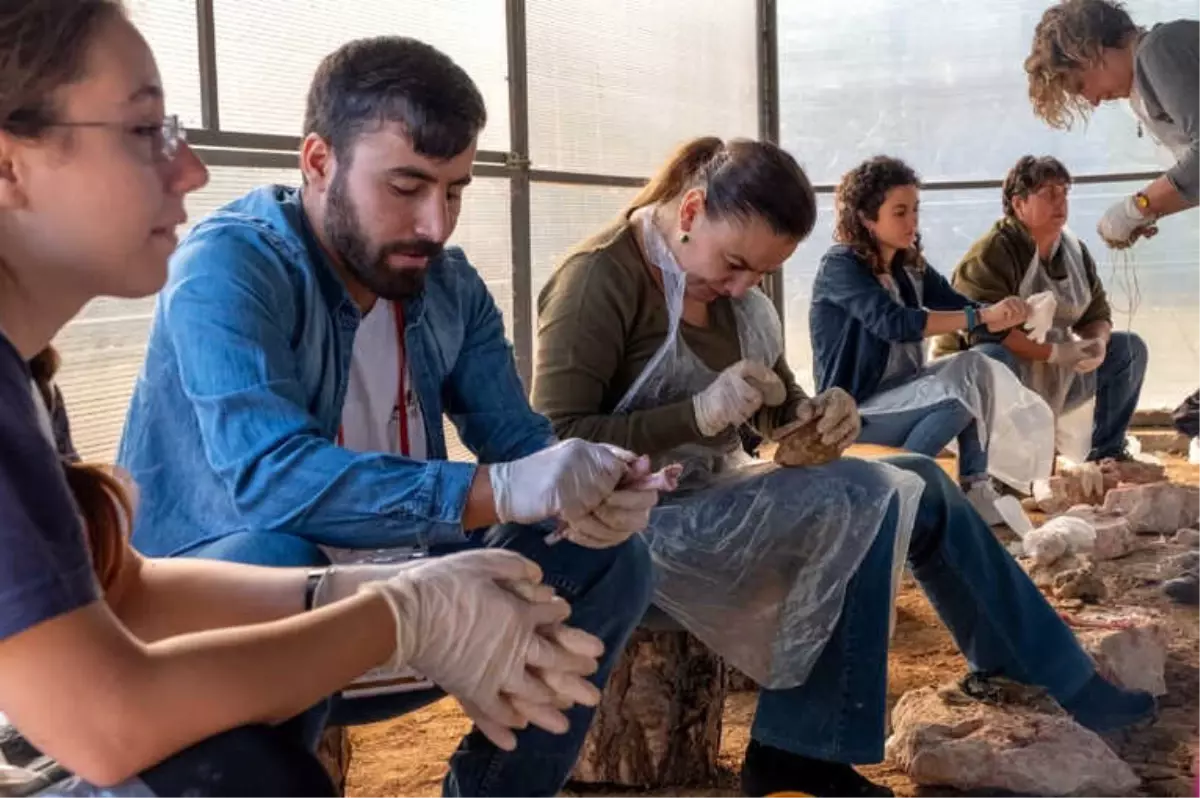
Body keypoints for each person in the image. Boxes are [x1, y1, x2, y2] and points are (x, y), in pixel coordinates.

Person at [0, 3, 606, 797]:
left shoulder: (26, 380)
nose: (192, 169)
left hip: (322, 577)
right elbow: (110, 719)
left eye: (456, 190)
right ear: (9, 165)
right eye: (146, 131)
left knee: (598, 557)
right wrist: (404, 610)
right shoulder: (236, 262)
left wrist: (579, 487)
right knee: (243, 773)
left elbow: (127, 585)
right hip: (154, 644)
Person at [532, 136, 1154, 798]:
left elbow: (772, 405)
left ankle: (1032, 665)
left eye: (758, 275)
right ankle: (796, 755)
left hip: (707, 496)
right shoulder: (602, 277)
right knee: (864, 494)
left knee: (917, 477)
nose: (741, 286)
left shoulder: (738, 292)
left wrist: (814, 414)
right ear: (690, 213)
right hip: (622, 527)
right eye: (735, 266)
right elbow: (554, 445)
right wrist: (696, 415)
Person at [810, 156, 1051, 519]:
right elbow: (894, 323)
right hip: (858, 408)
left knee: (985, 362)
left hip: (906, 393)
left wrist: (1017, 312)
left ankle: (975, 488)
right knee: (959, 397)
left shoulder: (907, 265)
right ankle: (895, 501)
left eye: (915, 211)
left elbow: (966, 311)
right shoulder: (841, 267)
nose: (912, 222)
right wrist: (982, 315)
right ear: (865, 216)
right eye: (900, 212)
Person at [939, 155, 1148, 464]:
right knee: (990, 358)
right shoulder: (993, 252)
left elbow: (1097, 314)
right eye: (1049, 193)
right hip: (991, 377)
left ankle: (1106, 456)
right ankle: (987, 466)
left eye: (1064, 192)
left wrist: (1097, 345)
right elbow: (982, 331)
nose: (1060, 202)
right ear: (1019, 203)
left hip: (1054, 375)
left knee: (1129, 349)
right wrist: (1055, 353)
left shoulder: (1074, 250)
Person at [1025, 0, 1198, 250]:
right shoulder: (1153, 69)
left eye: (1080, 85)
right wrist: (1147, 211)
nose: (1093, 101)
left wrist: (1138, 207)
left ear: (1087, 51)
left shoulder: (1158, 52)